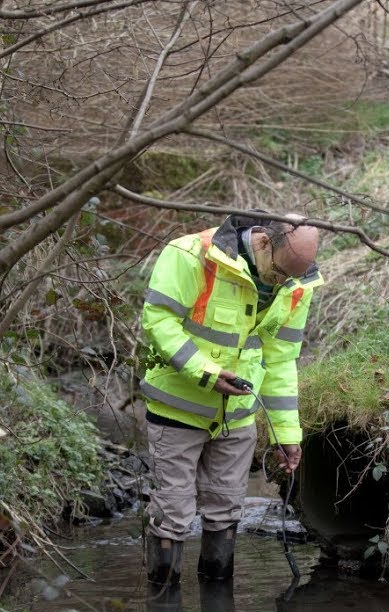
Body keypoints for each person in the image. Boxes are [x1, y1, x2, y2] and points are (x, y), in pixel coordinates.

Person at [139, 210, 324, 589]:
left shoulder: (297, 284)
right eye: (280, 273)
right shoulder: (191, 254)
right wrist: (206, 373)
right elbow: (158, 321)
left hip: (237, 419)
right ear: (262, 242)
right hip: (177, 410)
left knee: (225, 512)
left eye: (293, 276)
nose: (284, 283)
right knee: (172, 514)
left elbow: (280, 361)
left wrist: (287, 434)